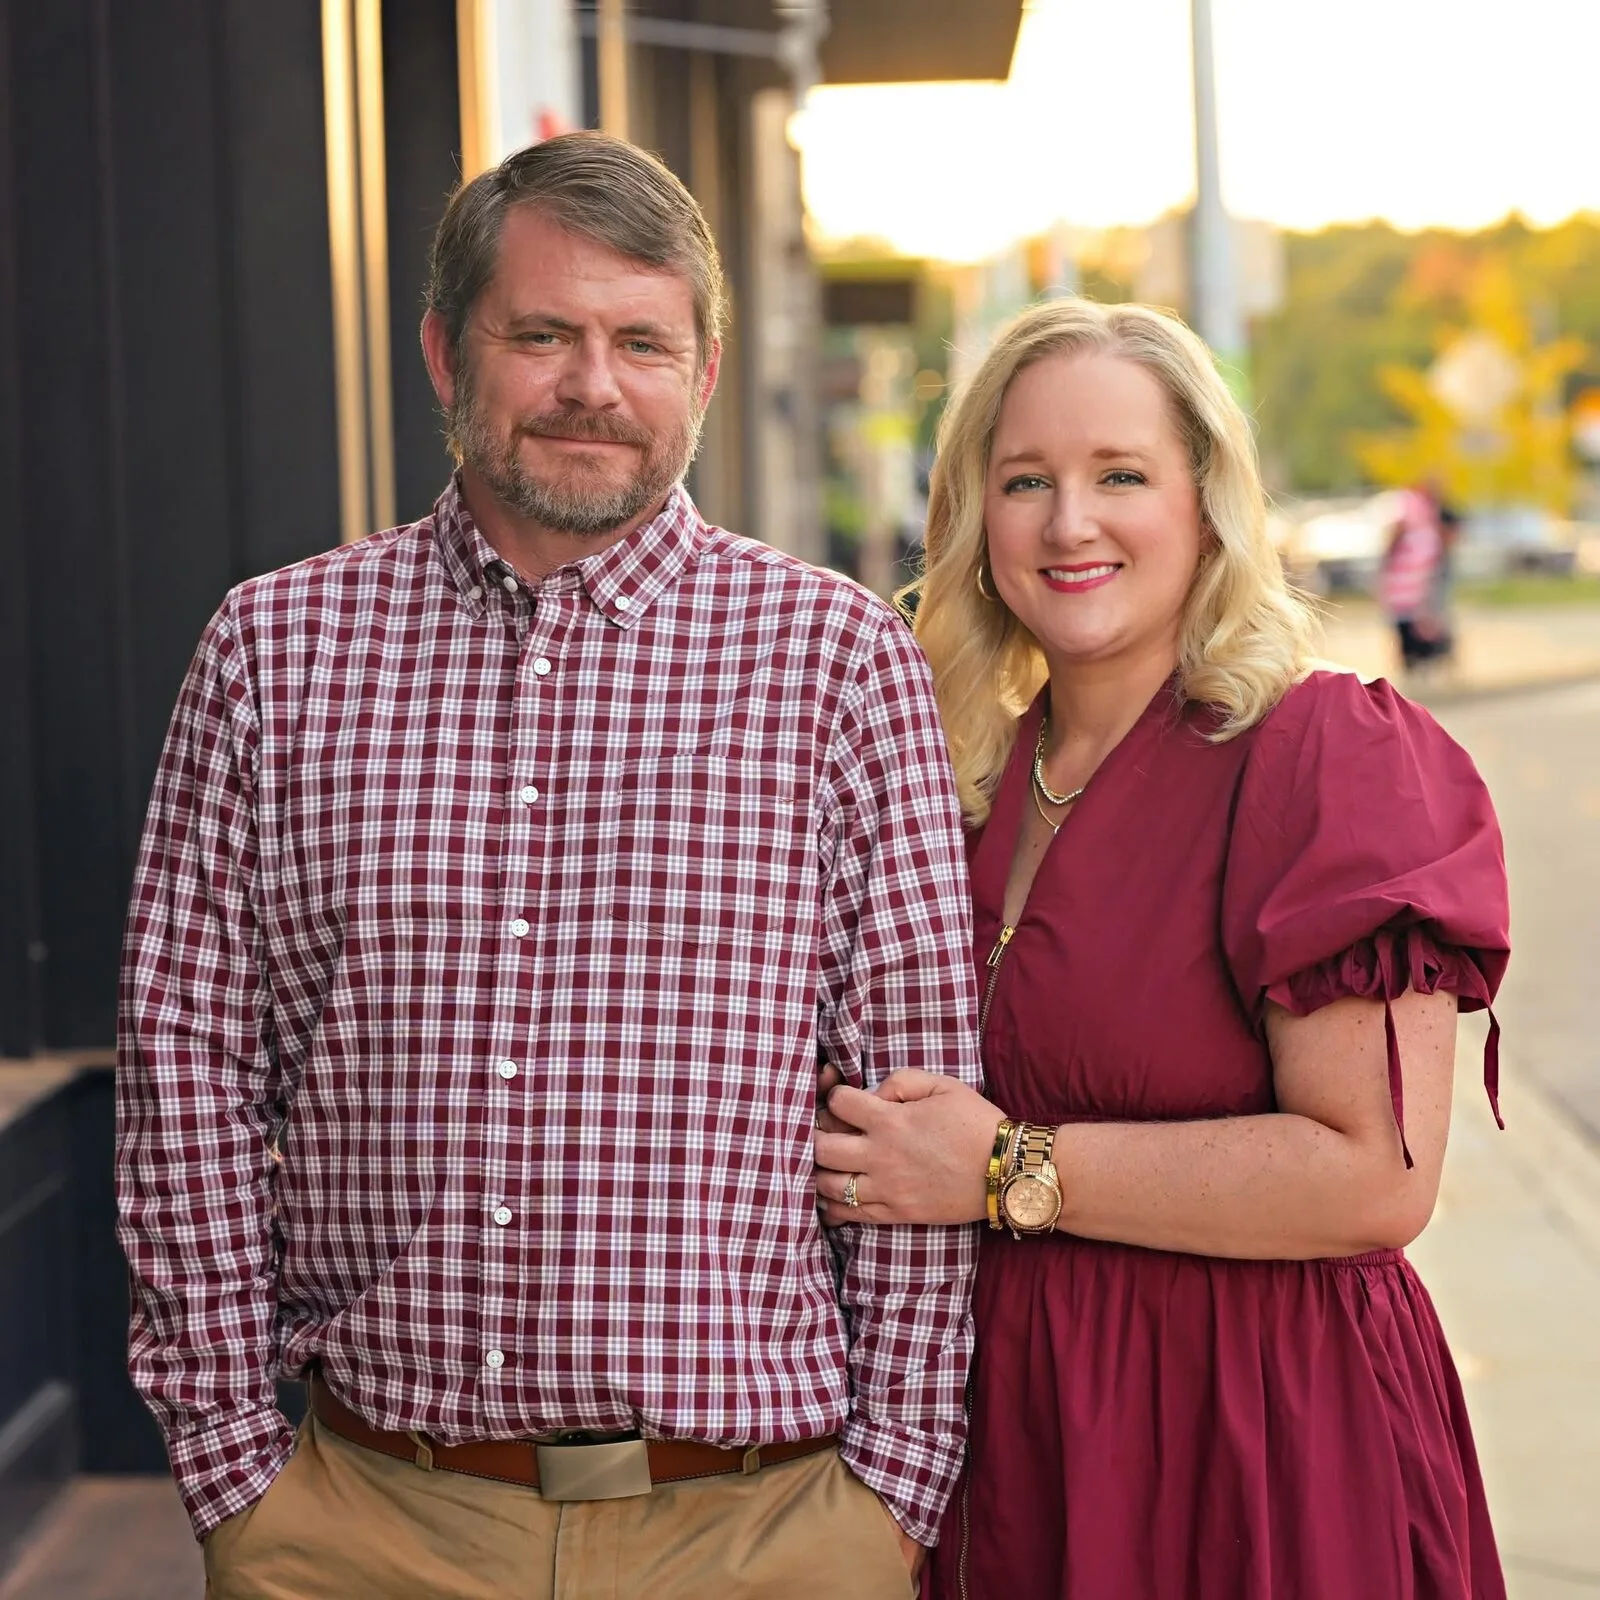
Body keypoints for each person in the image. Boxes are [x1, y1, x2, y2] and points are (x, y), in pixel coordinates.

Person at [116, 131, 980, 1600]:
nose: (595, 383)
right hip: (366, 1526)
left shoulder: (838, 664)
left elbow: (911, 1097)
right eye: (545, 334)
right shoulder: (274, 653)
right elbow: (184, 1068)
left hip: (762, 1533)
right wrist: (233, 1471)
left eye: (644, 340)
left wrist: (891, 1490)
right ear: (449, 353)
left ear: (704, 374)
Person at [814, 299, 1510, 1598]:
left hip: (1253, 1443)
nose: (1069, 523)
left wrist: (1008, 1169)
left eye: (1119, 475)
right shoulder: (964, 781)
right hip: (1013, 1450)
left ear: (1206, 506)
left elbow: (1373, 1181)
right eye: (1026, 481)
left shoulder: (1323, 758)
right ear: (974, 519)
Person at [1379, 484, 1452, 674]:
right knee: (1407, 632)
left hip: (1418, 593)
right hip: (1405, 593)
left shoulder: (1424, 534)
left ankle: (1425, 664)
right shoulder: (1417, 536)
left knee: (1423, 632)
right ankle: (1414, 665)